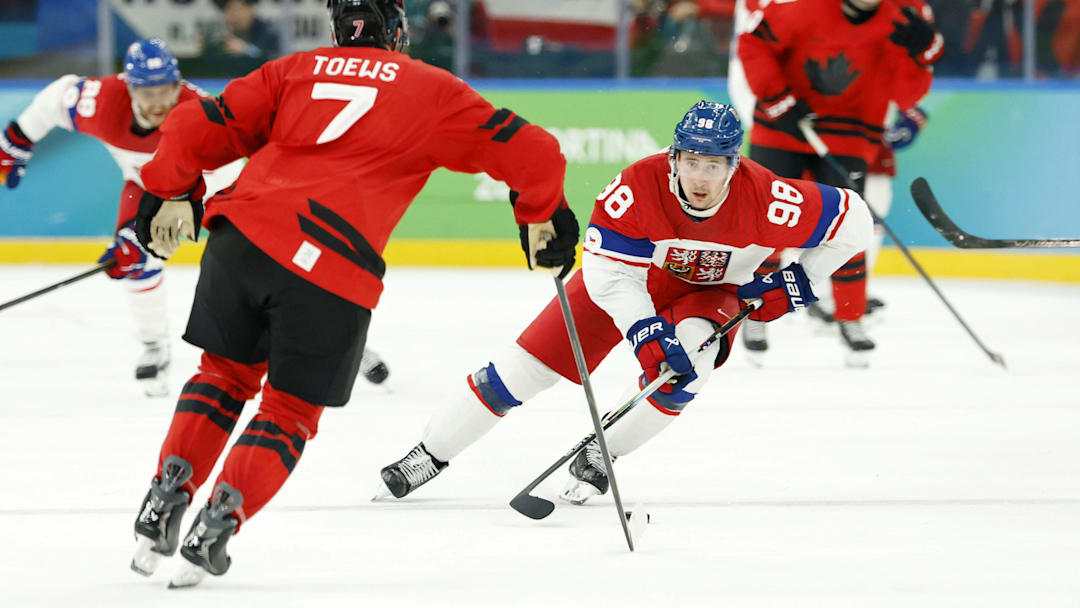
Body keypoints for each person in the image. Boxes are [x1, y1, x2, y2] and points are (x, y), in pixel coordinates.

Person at [127, 0, 576, 588]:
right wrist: (542, 213)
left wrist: (169, 191)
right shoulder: (430, 88)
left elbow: (193, 126)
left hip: (242, 240)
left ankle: (164, 499)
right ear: (396, 33)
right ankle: (217, 522)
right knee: (287, 411)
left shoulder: (292, 70)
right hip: (331, 269)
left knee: (222, 376)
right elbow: (533, 150)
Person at [374, 101, 873, 506]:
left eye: (714, 165)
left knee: (688, 366)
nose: (700, 177)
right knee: (525, 369)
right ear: (674, 157)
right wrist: (643, 330)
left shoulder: (767, 199)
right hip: (628, 284)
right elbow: (610, 275)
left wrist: (799, 281)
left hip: (710, 293)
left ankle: (599, 454)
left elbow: (853, 219)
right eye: (691, 162)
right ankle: (429, 453)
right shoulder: (635, 189)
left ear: (733, 165)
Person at [0, 38, 243, 397]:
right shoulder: (99, 102)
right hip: (145, 182)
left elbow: (227, 170)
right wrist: (17, 141)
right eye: (148, 92)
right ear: (129, 88)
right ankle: (154, 345)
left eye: (167, 89)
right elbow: (56, 97)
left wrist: (153, 224)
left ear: (178, 84)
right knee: (133, 262)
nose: (159, 101)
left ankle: (321, 335)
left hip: (216, 188)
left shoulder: (202, 114)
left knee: (259, 267)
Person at [735, 0, 941, 366]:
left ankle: (851, 316)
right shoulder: (804, 9)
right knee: (765, 225)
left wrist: (921, 56)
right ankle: (753, 312)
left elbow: (906, 96)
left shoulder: (900, 21)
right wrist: (777, 99)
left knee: (848, 229)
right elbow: (753, 44)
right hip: (783, 127)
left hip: (850, 136)